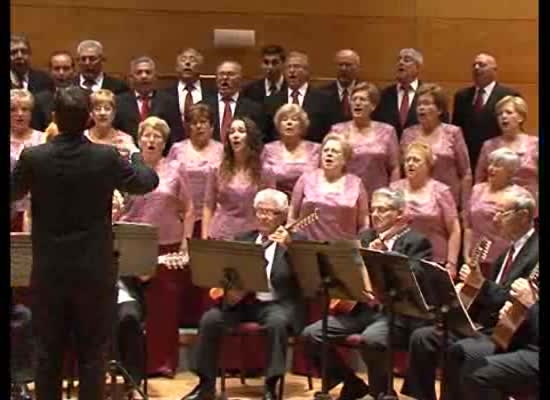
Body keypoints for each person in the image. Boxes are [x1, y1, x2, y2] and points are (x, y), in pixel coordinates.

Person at [11, 86, 158, 400]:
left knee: (48, 354)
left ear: (55, 118)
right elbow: (146, 182)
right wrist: (135, 155)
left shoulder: (35, 157)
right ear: (89, 117)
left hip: (50, 272)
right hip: (94, 272)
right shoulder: (105, 156)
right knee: (93, 356)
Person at [401, 185, 538, 400]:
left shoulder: (535, 252)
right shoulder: (506, 253)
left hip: (512, 334)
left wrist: (480, 284)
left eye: (503, 212)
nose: (496, 218)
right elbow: (494, 298)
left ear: (523, 216)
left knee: (460, 350)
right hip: (489, 325)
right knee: (423, 337)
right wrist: (470, 289)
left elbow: (514, 302)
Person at [302, 188, 433, 400]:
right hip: (360, 309)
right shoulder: (365, 236)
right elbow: (348, 270)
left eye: (383, 209)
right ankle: (352, 383)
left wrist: (384, 256)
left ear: (399, 214)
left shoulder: (416, 241)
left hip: (393, 313)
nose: (376, 214)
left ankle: (382, 393)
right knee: (312, 334)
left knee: (371, 339)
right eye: (374, 210)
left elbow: (417, 275)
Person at [180, 189, 306, 400]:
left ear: (283, 216)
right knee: (210, 319)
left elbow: (306, 277)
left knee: (277, 323)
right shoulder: (243, 239)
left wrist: (290, 247)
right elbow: (227, 273)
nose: (264, 216)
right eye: (260, 211)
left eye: (271, 212)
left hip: (276, 304)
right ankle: (205, 385)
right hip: (244, 304)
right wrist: (231, 292)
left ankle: (271, 385)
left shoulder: (296, 241)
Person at [119, 116, 194, 378]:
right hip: (132, 245)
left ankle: (161, 364)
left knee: (164, 309)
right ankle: (132, 365)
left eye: (157, 137)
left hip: (168, 246)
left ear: (164, 142)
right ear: (139, 140)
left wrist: (185, 243)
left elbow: (189, 208)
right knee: (130, 310)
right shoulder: (127, 168)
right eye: (147, 136)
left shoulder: (176, 170)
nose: (151, 141)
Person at [390, 142, 461, 277]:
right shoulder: (394, 189)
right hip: (401, 259)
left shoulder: (441, 191)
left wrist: (451, 263)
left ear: (428, 165)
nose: (410, 164)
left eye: (416, 160)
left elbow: (454, 229)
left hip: (434, 260)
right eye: (407, 160)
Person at [461, 279, 539, 399]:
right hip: (523, 340)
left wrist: (530, 305)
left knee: (478, 370)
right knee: (458, 352)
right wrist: (513, 315)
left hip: (534, 352)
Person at [400, 83, 472, 209]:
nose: (421, 108)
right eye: (419, 104)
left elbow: (465, 173)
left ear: (439, 109)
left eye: (427, 104)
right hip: (415, 203)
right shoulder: (408, 134)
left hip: (448, 203)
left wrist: (465, 208)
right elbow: (403, 172)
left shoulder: (453, 133)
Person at [202, 117, 275, 240]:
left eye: (241, 131)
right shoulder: (216, 169)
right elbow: (208, 206)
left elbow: (271, 209)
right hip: (220, 234)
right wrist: (205, 238)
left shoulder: (265, 171)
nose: (235, 135)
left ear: (250, 137)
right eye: (231, 132)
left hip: (252, 235)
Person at [288, 133, 370, 240]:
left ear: (345, 159)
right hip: (307, 246)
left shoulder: (356, 183)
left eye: (334, 151)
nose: (329, 154)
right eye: (326, 150)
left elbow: (364, 223)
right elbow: (292, 215)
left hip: (343, 249)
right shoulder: (306, 179)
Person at [330, 82, 400, 198]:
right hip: (344, 196)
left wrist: (391, 196)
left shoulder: (387, 131)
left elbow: (394, 167)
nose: (357, 103)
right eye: (354, 99)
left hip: (377, 198)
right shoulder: (337, 130)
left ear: (373, 106)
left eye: (362, 99)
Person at [452, 53, 520, 171]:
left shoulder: (508, 95)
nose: (476, 68)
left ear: (494, 69)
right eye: (474, 65)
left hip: (498, 158)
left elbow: (515, 129)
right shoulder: (461, 96)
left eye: (482, 65)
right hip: (467, 160)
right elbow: (456, 129)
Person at [167, 104, 224, 236]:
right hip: (182, 216)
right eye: (194, 123)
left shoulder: (221, 150)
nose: (199, 126)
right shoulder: (177, 149)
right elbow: (168, 179)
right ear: (188, 127)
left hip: (212, 215)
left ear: (211, 126)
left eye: (203, 122)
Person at [463, 148, 522, 275]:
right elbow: (468, 226)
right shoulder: (477, 190)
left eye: (498, 165)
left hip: (502, 261)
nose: (491, 168)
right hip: (476, 259)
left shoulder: (518, 196)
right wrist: (466, 255)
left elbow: (521, 233)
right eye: (490, 163)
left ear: (510, 171)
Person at [475, 96, 538, 202]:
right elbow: (479, 180)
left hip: (529, 206)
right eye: (500, 114)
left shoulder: (535, 144)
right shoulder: (489, 145)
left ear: (520, 117)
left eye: (509, 112)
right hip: (495, 206)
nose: (503, 116)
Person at [114, 56, 183, 148]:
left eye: (148, 72)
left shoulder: (168, 101)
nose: (144, 76)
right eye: (139, 72)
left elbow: (176, 135)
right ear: (131, 77)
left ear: (155, 77)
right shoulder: (119, 102)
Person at [264, 51, 334, 143]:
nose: (292, 70)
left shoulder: (324, 99)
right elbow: (267, 134)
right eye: (288, 67)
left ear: (307, 71)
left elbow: (330, 132)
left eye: (296, 66)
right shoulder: (272, 100)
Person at [261, 104, 320, 197]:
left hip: (308, 201)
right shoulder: (269, 149)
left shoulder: (316, 149)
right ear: (278, 125)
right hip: (276, 204)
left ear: (302, 125)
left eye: (294, 119)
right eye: (284, 119)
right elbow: (264, 183)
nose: (289, 123)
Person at [200, 61, 265, 143]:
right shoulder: (203, 106)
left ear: (240, 79)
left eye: (230, 74)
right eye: (221, 74)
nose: (225, 77)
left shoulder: (255, 109)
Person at [10, 89, 46, 232]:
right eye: (13, 109)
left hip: (38, 211)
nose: (19, 114)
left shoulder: (44, 139)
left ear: (31, 113)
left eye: (24, 109)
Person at [372, 48, 424, 139]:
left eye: (406, 60)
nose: (400, 62)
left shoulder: (429, 94)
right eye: (399, 59)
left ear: (418, 67)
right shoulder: (383, 95)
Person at [163, 48, 217, 132]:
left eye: (192, 60)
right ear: (177, 67)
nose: (187, 63)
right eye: (183, 60)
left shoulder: (212, 94)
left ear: (201, 67)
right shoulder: (164, 95)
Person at [31, 50, 77, 131]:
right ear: (50, 71)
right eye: (56, 68)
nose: (61, 73)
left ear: (73, 70)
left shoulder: (85, 96)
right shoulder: (39, 100)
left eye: (66, 68)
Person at [84, 89, 136, 154]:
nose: (102, 113)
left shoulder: (126, 140)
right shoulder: (83, 137)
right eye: (97, 109)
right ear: (91, 113)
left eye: (107, 109)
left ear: (114, 112)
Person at [321, 49, 361, 123]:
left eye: (348, 65)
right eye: (340, 65)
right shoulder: (322, 94)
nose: (343, 69)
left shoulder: (366, 92)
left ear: (357, 67)